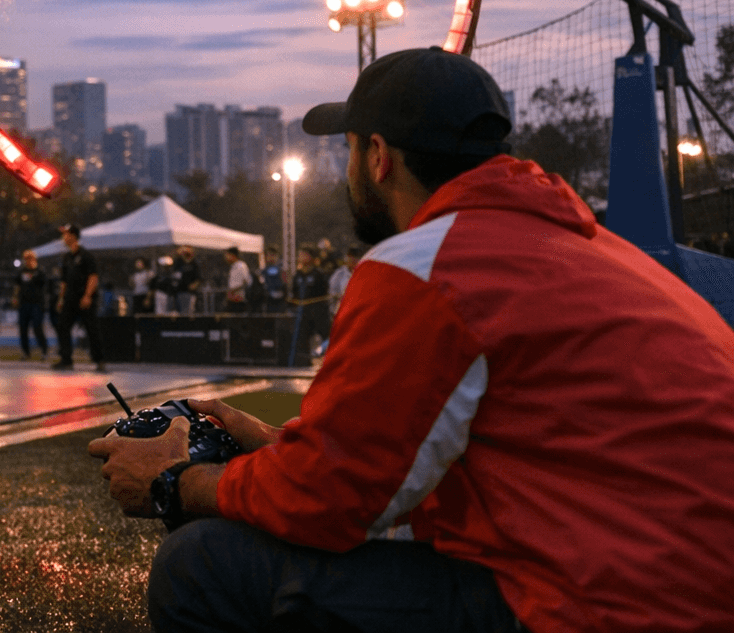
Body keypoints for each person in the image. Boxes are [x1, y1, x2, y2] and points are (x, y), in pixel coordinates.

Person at [89, 46, 734, 632]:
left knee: (201, 565)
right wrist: (276, 444)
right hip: (686, 585)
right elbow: (432, 458)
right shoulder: (600, 250)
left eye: (345, 152)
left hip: (608, 606)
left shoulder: (425, 265)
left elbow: (331, 503)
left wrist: (181, 479)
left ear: (377, 157)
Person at [52, 223, 105, 372]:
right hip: (70, 298)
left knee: (91, 329)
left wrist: (87, 296)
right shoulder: (67, 257)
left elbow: (93, 276)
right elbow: (64, 281)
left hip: (84, 298)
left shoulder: (86, 256)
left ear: (73, 236)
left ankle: (99, 360)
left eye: (66, 234)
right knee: (63, 326)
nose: (64, 237)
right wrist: (61, 299)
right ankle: (66, 359)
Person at [287, 245, 331, 362]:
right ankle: (304, 361)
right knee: (302, 337)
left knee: (326, 335)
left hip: (318, 312)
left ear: (311, 257)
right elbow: (294, 293)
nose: (300, 257)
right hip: (303, 313)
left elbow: (324, 293)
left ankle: (327, 358)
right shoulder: (298, 275)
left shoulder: (319, 275)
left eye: (303, 254)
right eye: (299, 255)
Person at [17, 249, 51, 360]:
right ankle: (26, 353)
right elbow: (17, 286)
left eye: (30, 258)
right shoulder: (22, 272)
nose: (28, 261)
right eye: (26, 259)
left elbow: (43, 285)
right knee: (23, 328)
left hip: (37, 303)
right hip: (24, 303)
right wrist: (15, 298)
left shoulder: (40, 272)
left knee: (37, 327)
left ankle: (44, 350)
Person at [326, 245, 362, 321]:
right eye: (350, 257)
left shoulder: (365, 274)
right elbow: (332, 291)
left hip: (359, 313)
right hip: (342, 313)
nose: (353, 260)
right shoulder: (339, 274)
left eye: (356, 257)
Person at [168, 245, 201, 314]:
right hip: (177, 292)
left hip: (188, 293)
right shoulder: (178, 262)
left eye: (188, 248)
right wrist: (178, 253)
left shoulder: (194, 264)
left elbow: (199, 278)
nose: (185, 250)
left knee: (187, 313)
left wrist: (194, 285)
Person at [221, 246, 251, 314]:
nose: (225, 257)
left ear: (232, 255)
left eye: (227, 255)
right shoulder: (233, 266)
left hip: (239, 300)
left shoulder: (241, 265)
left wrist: (233, 291)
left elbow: (247, 282)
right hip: (232, 300)